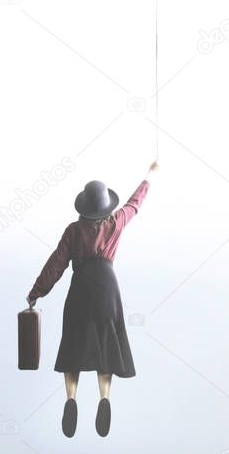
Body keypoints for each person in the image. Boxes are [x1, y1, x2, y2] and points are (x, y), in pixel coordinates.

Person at [27, 161, 158, 438]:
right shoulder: (117, 222)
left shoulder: (73, 231)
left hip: (81, 288)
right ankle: (104, 398)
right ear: (106, 206)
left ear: (84, 207)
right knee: (106, 345)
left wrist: (36, 292)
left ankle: (71, 399)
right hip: (107, 290)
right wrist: (149, 176)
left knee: (74, 343)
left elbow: (56, 264)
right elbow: (135, 204)